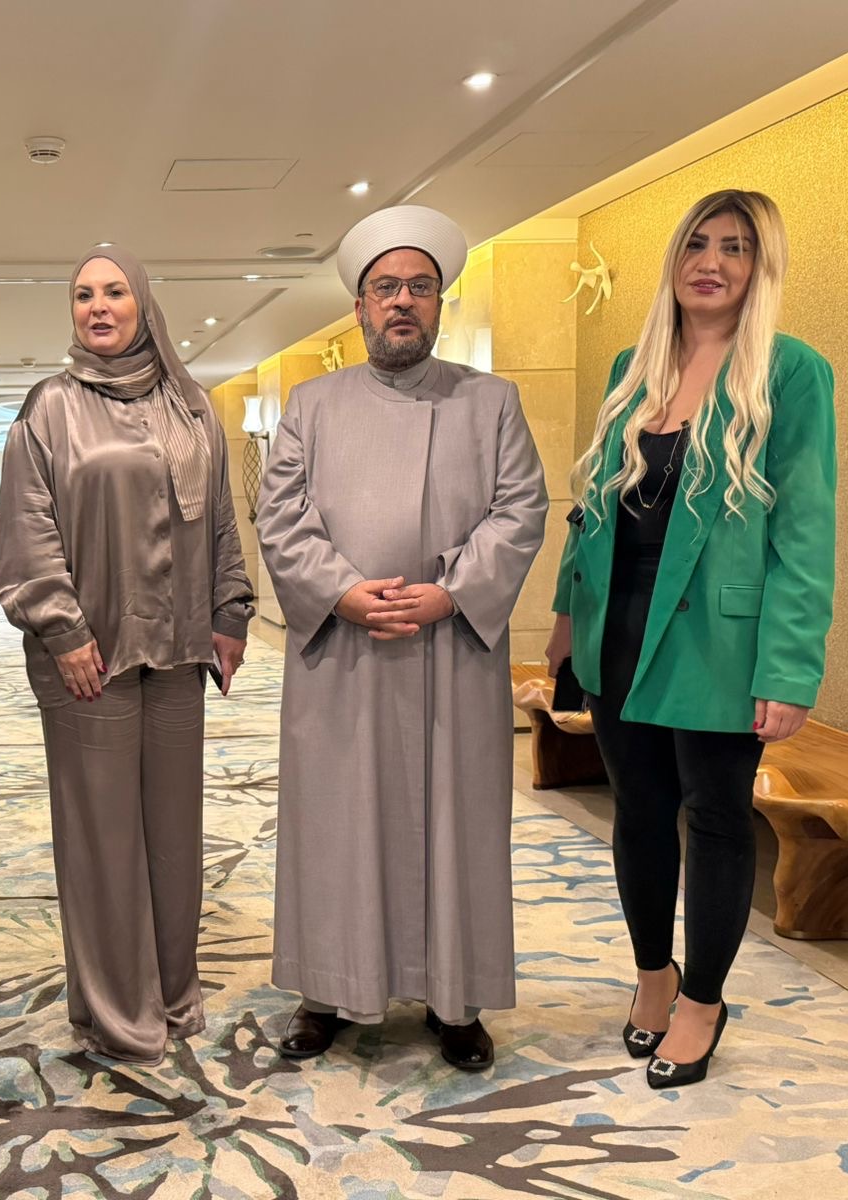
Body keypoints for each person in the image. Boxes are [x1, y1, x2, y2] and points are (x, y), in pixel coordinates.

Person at [547, 189, 835, 1089]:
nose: (712, 262)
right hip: (618, 630)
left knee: (714, 817)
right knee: (637, 811)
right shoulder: (632, 367)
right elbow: (593, 510)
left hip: (721, 641)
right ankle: (653, 976)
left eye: (736, 248)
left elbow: (806, 533)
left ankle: (704, 1002)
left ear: (761, 267)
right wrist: (564, 618)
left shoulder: (790, 372)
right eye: (698, 244)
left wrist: (790, 669)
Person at [256, 205, 548, 1070]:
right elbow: (280, 516)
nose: (402, 302)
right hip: (344, 656)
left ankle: (456, 1001)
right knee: (336, 824)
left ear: (439, 303)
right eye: (386, 288)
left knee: (456, 827)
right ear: (358, 307)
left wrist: (451, 593)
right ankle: (326, 991)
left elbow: (521, 509)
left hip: (450, 653)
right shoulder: (311, 405)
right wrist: (343, 593)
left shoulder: (491, 401)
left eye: (420, 287)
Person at [0, 246, 254, 1065]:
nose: (97, 307)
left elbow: (219, 516)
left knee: (173, 833)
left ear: (142, 303)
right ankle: (117, 1010)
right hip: (89, 656)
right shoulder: (50, 407)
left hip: (178, 650)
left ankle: (172, 990)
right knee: (102, 837)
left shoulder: (190, 405)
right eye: (82, 295)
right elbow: (27, 527)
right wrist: (63, 630)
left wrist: (231, 608)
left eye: (113, 292)